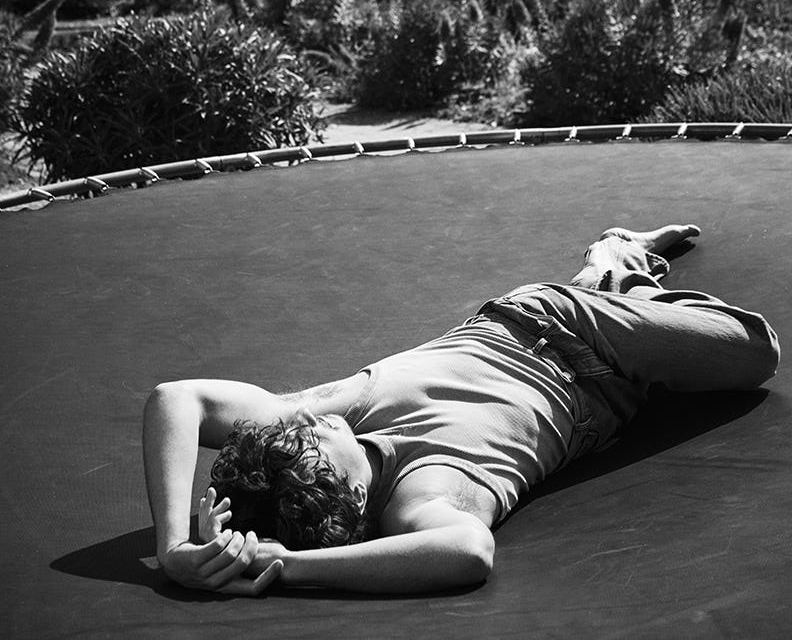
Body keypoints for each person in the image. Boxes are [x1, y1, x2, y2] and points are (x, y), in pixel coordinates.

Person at [143, 223, 780, 596]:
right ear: (345, 495)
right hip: (605, 378)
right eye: (317, 437)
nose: (312, 415)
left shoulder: (335, 411)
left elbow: (178, 398)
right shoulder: (419, 501)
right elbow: (469, 551)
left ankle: (622, 279)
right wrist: (284, 565)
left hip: (538, 315)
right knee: (757, 352)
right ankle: (615, 262)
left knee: (747, 352)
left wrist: (174, 546)